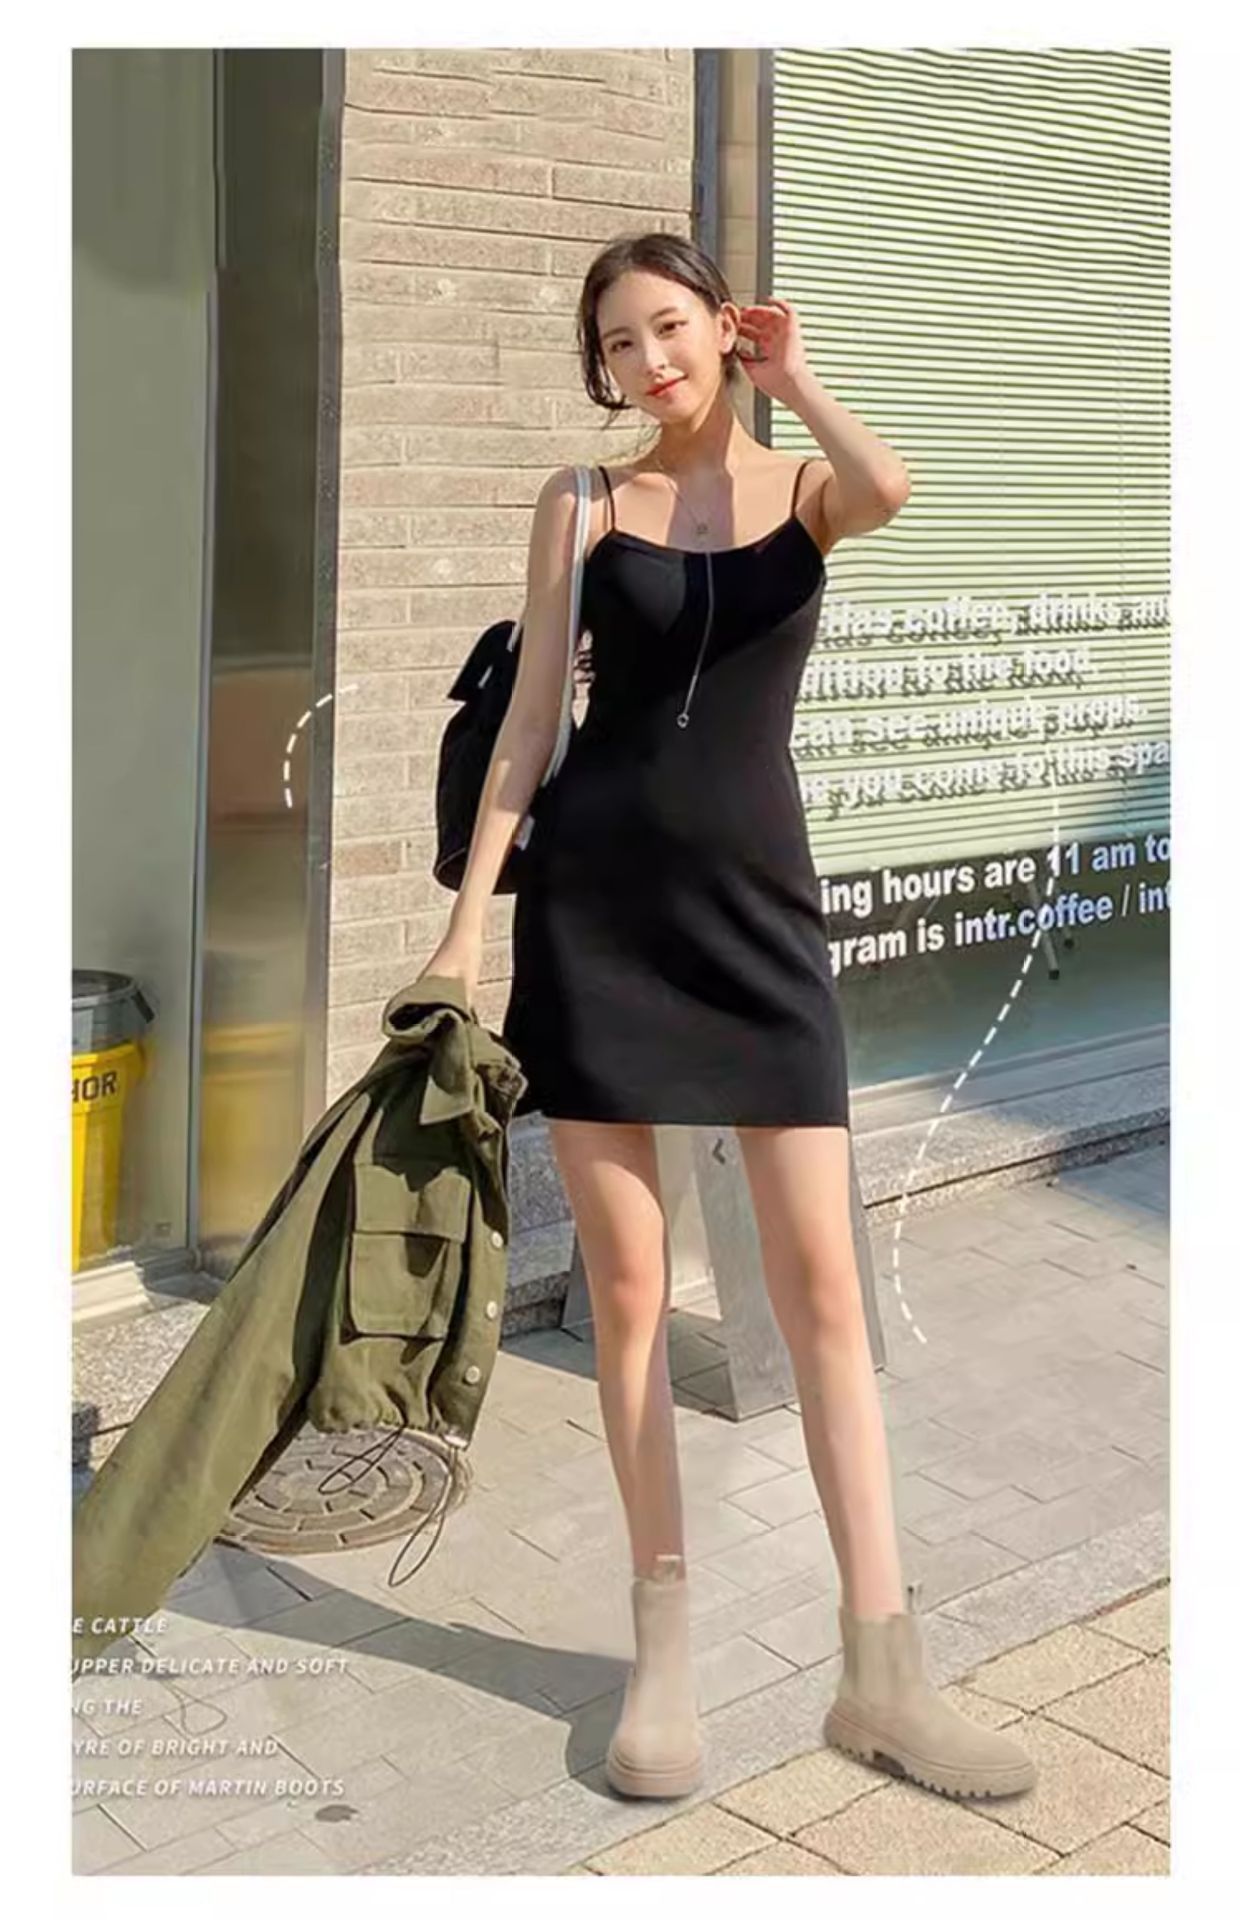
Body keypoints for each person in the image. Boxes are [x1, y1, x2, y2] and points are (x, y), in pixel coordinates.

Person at [419, 231, 1035, 1804]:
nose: (648, 362)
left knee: (825, 1296)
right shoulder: (580, 502)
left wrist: (799, 378)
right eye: (618, 343)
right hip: (596, 921)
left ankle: (882, 1675)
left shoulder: (804, 490)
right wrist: (465, 932)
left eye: (669, 328)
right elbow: (528, 725)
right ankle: (666, 1660)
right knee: (629, 1295)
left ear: (723, 327)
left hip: (761, 926)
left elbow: (890, 487)